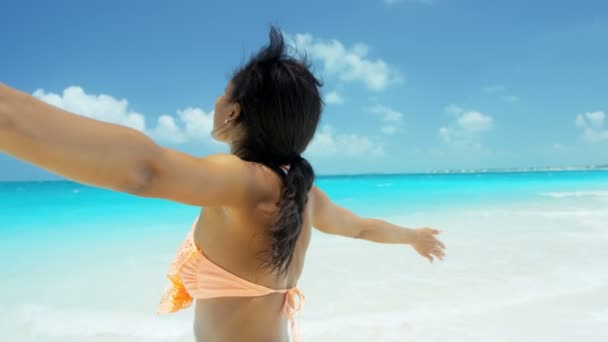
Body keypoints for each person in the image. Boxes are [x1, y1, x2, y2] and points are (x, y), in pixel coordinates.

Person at [0, 26, 446, 342]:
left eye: (223, 94)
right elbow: (362, 228)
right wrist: (413, 237)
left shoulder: (244, 181)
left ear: (232, 112)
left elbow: (147, 170)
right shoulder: (303, 195)